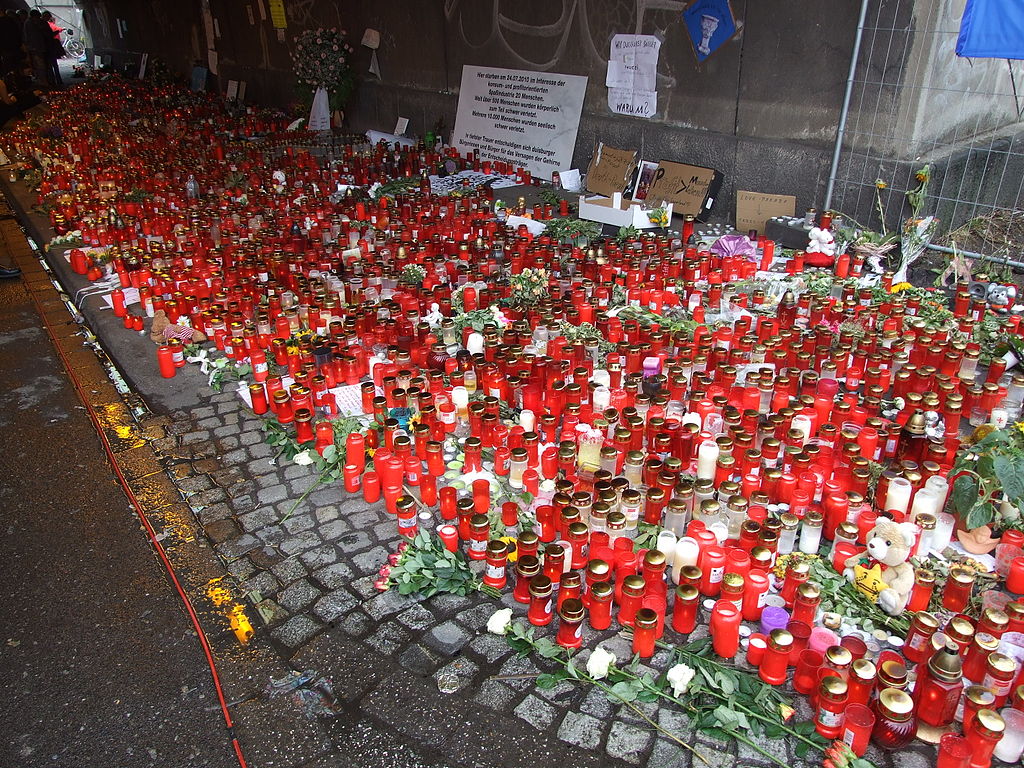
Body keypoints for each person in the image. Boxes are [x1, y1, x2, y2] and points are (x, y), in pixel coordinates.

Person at [22, 10, 50, 88]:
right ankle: (42, 81)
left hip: (36, 47)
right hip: (35, 48)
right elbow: (31, 37)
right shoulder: (30, 24)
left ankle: (42, 80)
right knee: (40, 65)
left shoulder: (29, 23)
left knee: (39, 64)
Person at [40, 11, 62, 87]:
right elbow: (48, 35)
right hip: (48, 47)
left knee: (51, 65)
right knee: (51, 65)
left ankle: (54, 80)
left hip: (48, 47)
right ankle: (54, 80)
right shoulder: (43, 24)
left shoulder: (43, 24)